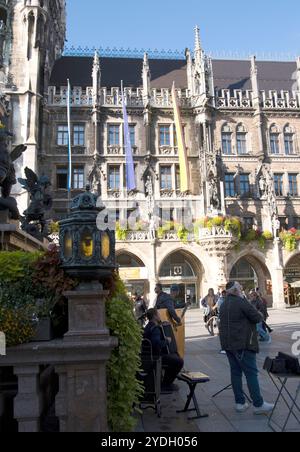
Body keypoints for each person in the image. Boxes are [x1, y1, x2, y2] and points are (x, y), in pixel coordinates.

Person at [219, 281, 274, 415]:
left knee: (236, 373)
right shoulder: (241, 301)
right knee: (251, 373)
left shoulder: (224, 303)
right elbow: (257, 317)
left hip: (228, 344)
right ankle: (258, 404)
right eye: (239, 287)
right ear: (236, 290)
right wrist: (247, 302)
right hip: (242, 343)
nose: (242, 289)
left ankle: (240, 403)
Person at [144, 308, 184, 392]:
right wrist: (167, 341)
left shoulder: (148, 326)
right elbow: (157, 344)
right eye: (158, 314)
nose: (159, 315)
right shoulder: (155, 329)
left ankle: (166, 382)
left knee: (175, 356)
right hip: (155, 356)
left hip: (150, 355)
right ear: (155, 316)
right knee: (179, 362)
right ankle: (165, 385)